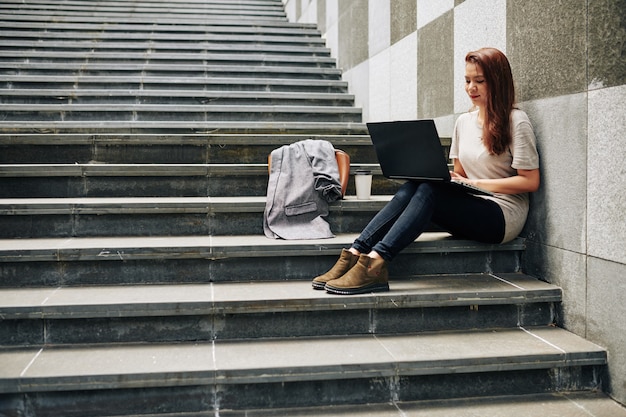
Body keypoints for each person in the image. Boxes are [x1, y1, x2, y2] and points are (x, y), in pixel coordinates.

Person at [312, 47, 540, 295]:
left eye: (480, 81)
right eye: (467, 81)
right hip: (473, 205)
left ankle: (376, 263)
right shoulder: (463, 122)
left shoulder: (517, 121)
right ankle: (355, 253)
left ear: (497, 81)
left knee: (430, 191)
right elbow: (461, 174)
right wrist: (453, 180)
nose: (470, 88)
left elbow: (530, 181)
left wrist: (479, 185)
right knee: (415, 185)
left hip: (503, 215)